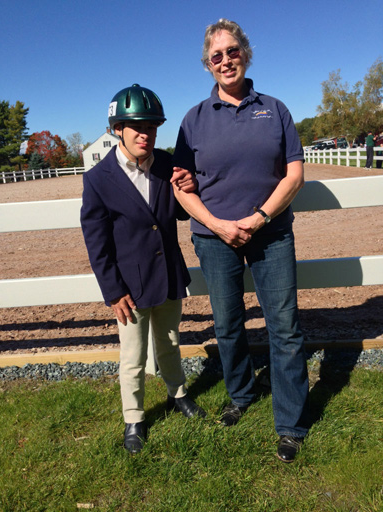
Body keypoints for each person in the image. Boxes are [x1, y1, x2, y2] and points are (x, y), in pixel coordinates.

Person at [172, 19, 309, 463]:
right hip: (214, 238)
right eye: (217, 55)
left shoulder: (275, 109)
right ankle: (241, 394)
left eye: (232, 51)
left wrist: (259, 216)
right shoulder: (193, 120)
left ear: (245, 54)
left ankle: (289, 423)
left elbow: (294, 174)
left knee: (284, 327)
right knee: (228, 323)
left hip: (270, 233)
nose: (226, 60)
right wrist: (219, 224)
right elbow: (181, 185)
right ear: (207, 65)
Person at [81, 84, 206, 455]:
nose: (144, 134)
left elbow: (183, 210)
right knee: (132, 356)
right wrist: (112, 290)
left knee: (169, 342)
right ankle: (134, 417)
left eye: (151, 127)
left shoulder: (167, 164)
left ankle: (178, 394)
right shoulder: (98, 179)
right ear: (117, 129)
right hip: (129, 287)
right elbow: (97, 241)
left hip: (168, 274)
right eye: (135, 126)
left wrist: (190, 184)